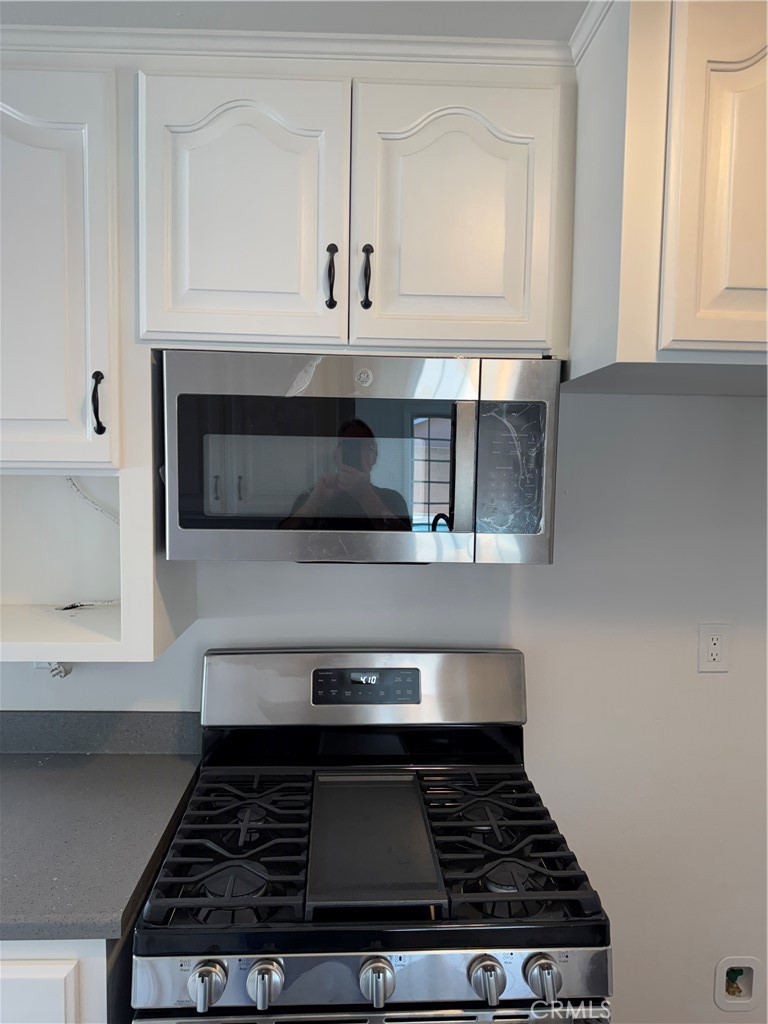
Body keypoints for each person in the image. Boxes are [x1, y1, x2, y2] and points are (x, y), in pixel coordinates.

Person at [279, 419, 411, 531]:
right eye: (349, 446)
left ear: (374, 457)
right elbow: (283, 542)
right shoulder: (315, 495)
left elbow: (405, 546)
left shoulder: (393, 499)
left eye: (365, 446)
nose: (357, 453)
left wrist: (366, 496)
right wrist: (315, 501)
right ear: (336, 454)